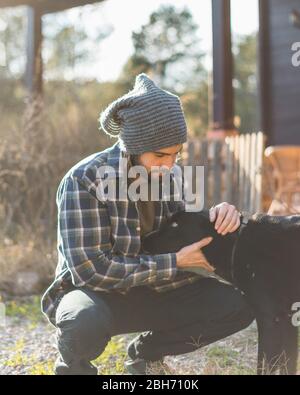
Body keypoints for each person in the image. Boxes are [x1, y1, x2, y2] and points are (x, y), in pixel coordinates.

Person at [41, 73, 254, 375]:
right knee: (83, 322)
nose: (169, 165)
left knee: (237, 306)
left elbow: (188, 230)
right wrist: (175, 262)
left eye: (176, 154)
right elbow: (90, 270)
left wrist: (219, 215)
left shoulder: (175, 175)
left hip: (153, 289)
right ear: (133, 145)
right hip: (95, 294)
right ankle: (73, 363)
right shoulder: (84, 179)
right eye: (159, 155)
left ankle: (144, 356)